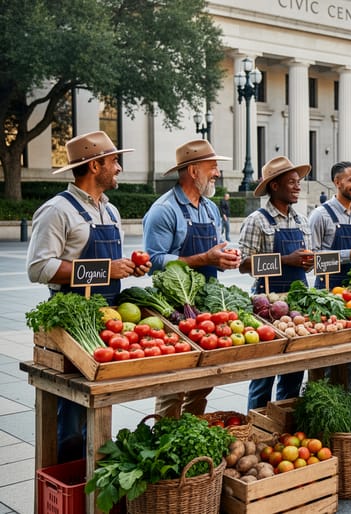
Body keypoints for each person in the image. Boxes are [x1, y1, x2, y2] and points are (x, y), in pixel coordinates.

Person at [26, 131, 150, 461]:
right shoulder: (57, 210)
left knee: (100, 402)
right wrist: (106, 270)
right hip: (70, 320)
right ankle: (68, 478)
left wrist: (128, 268)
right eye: (114, 161)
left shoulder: (110, 211)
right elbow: (38, 268)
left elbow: (109, 266)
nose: (119, 167)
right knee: (71, 408)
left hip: (108, 319)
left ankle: (91, 475)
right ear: (95, 166)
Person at [143, 139, 240, 418]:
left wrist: (226, 257)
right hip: (174, 307)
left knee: (205, 378)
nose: (218, 173)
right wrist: (204, 259)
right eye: (213, 167)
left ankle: (192, 427)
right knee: (174, 380)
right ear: (193, 170)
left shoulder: (209, 208)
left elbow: (216, 247)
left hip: (207, 305)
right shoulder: (164, 210)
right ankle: (165, 433)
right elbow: (153, 261)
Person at [239, 156, 314, 409]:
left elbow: (307, 257)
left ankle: (283, 425)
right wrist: (286, 260)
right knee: (264, 374)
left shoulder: (303, 220)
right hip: (267, 306)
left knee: (294, 371)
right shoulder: (256, 220)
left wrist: (308, 262)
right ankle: (255, 427)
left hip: (298, 305)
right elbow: (243, 263)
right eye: (291, 182)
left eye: (298, 182)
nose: (297, 186)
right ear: (274, 186)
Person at [308, 161, 351, 388]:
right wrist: (349, 255)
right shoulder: (320, 215)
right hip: (327, 294)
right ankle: (324, 399)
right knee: (326, 354)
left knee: (350, 353)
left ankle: (344, 397)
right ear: (338, 183)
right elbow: (313, 258)